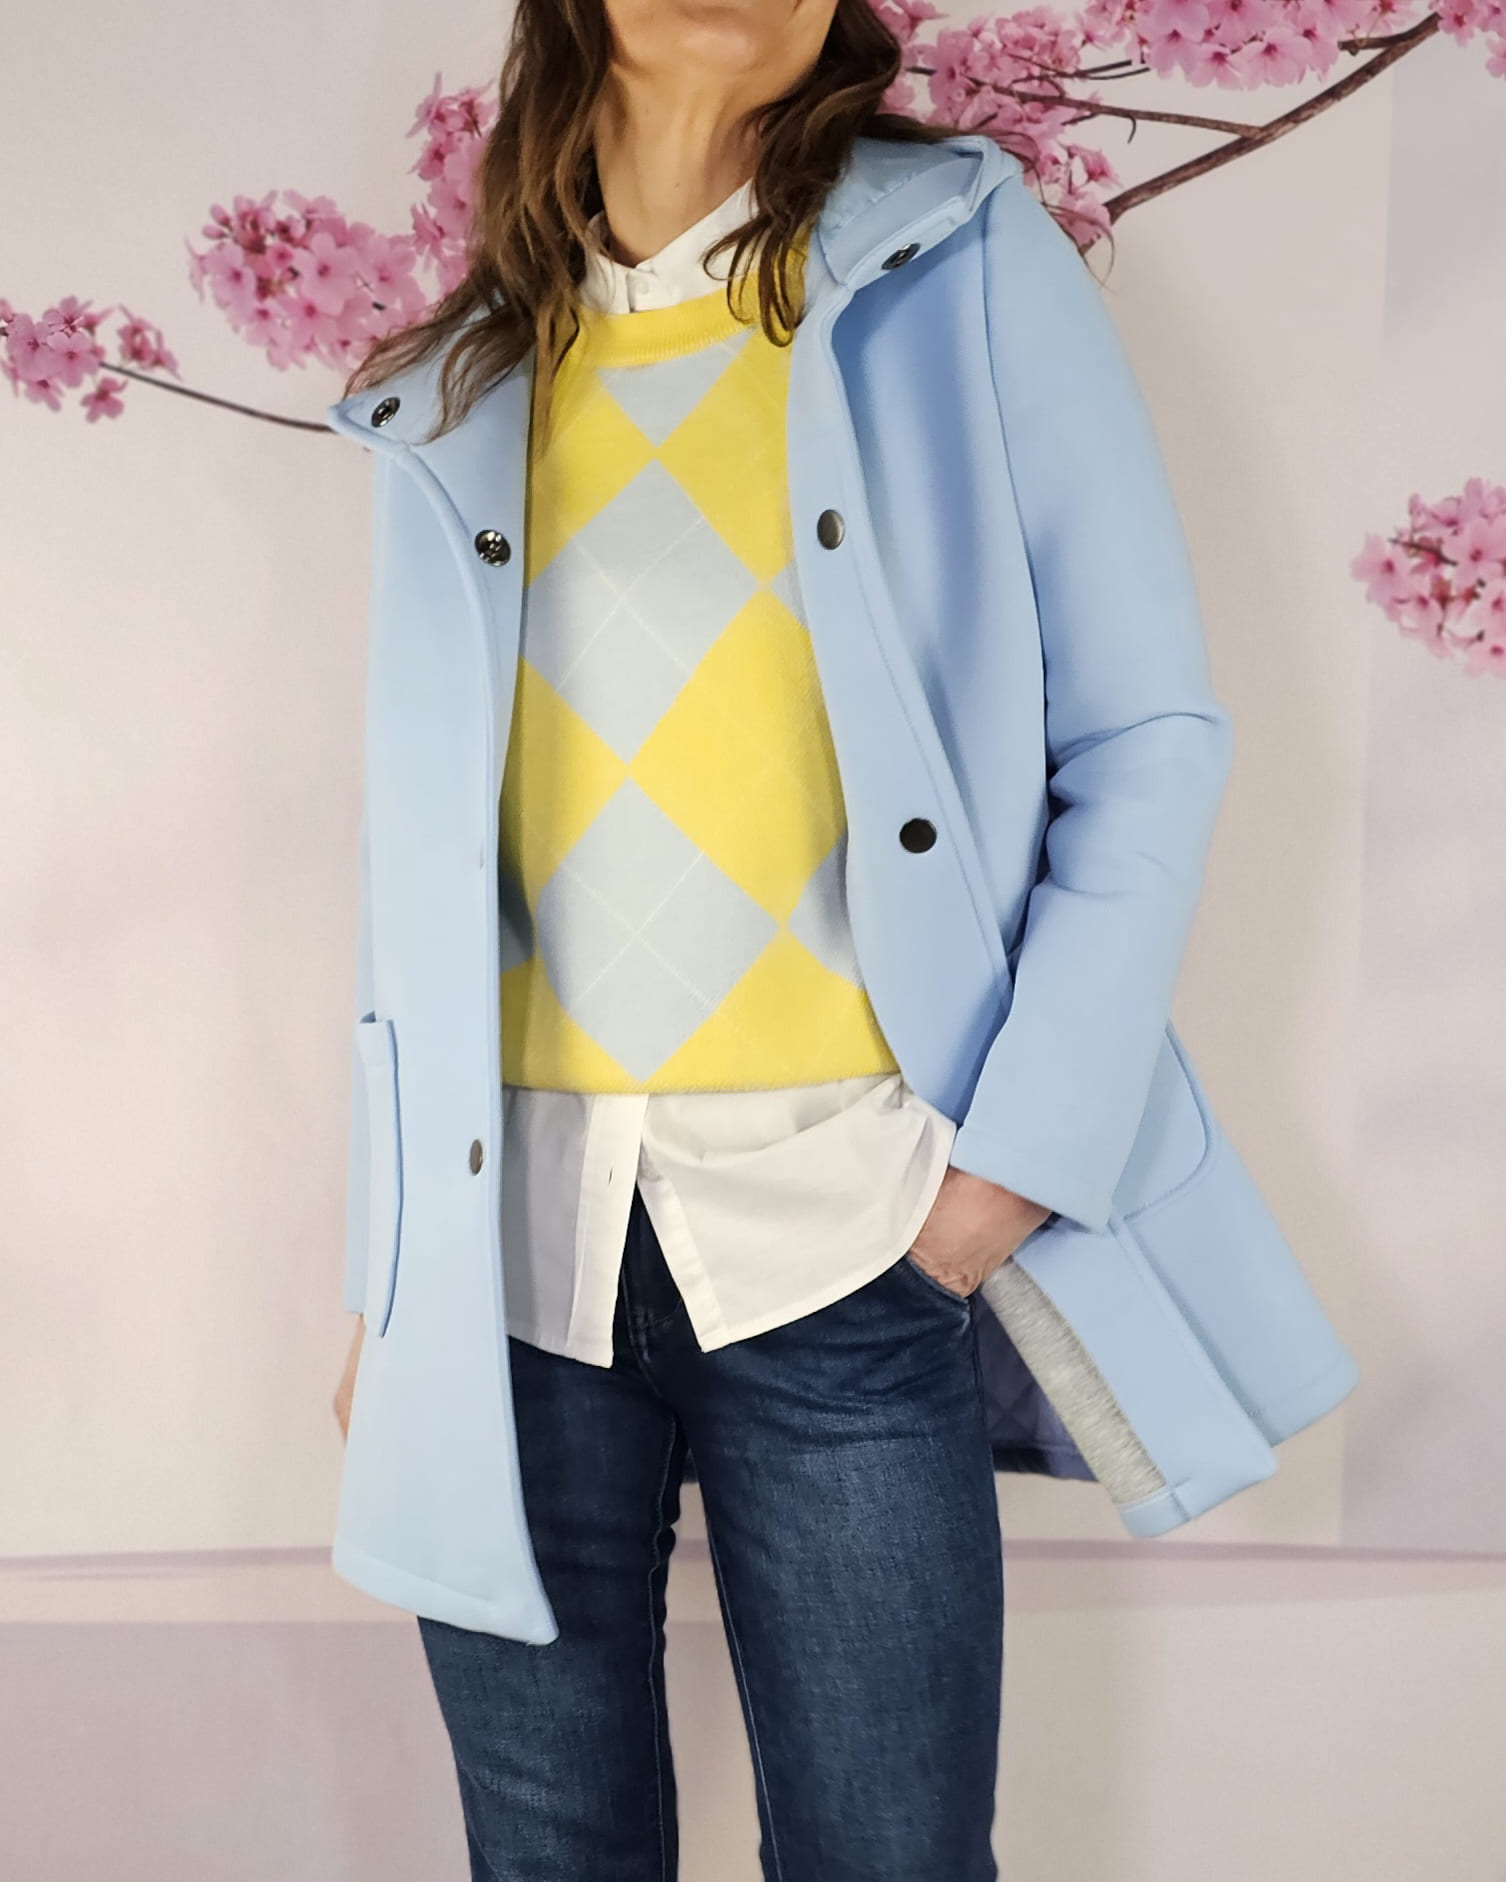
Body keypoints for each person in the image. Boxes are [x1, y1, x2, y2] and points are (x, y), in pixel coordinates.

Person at [325, 0, 1358, 1876]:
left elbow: (1143, 734)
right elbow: (423, 862)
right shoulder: (467, 379)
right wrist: (386, 1276)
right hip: (504, 1267)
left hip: (849, 1230)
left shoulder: (955, 258)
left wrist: (1008, 1168)